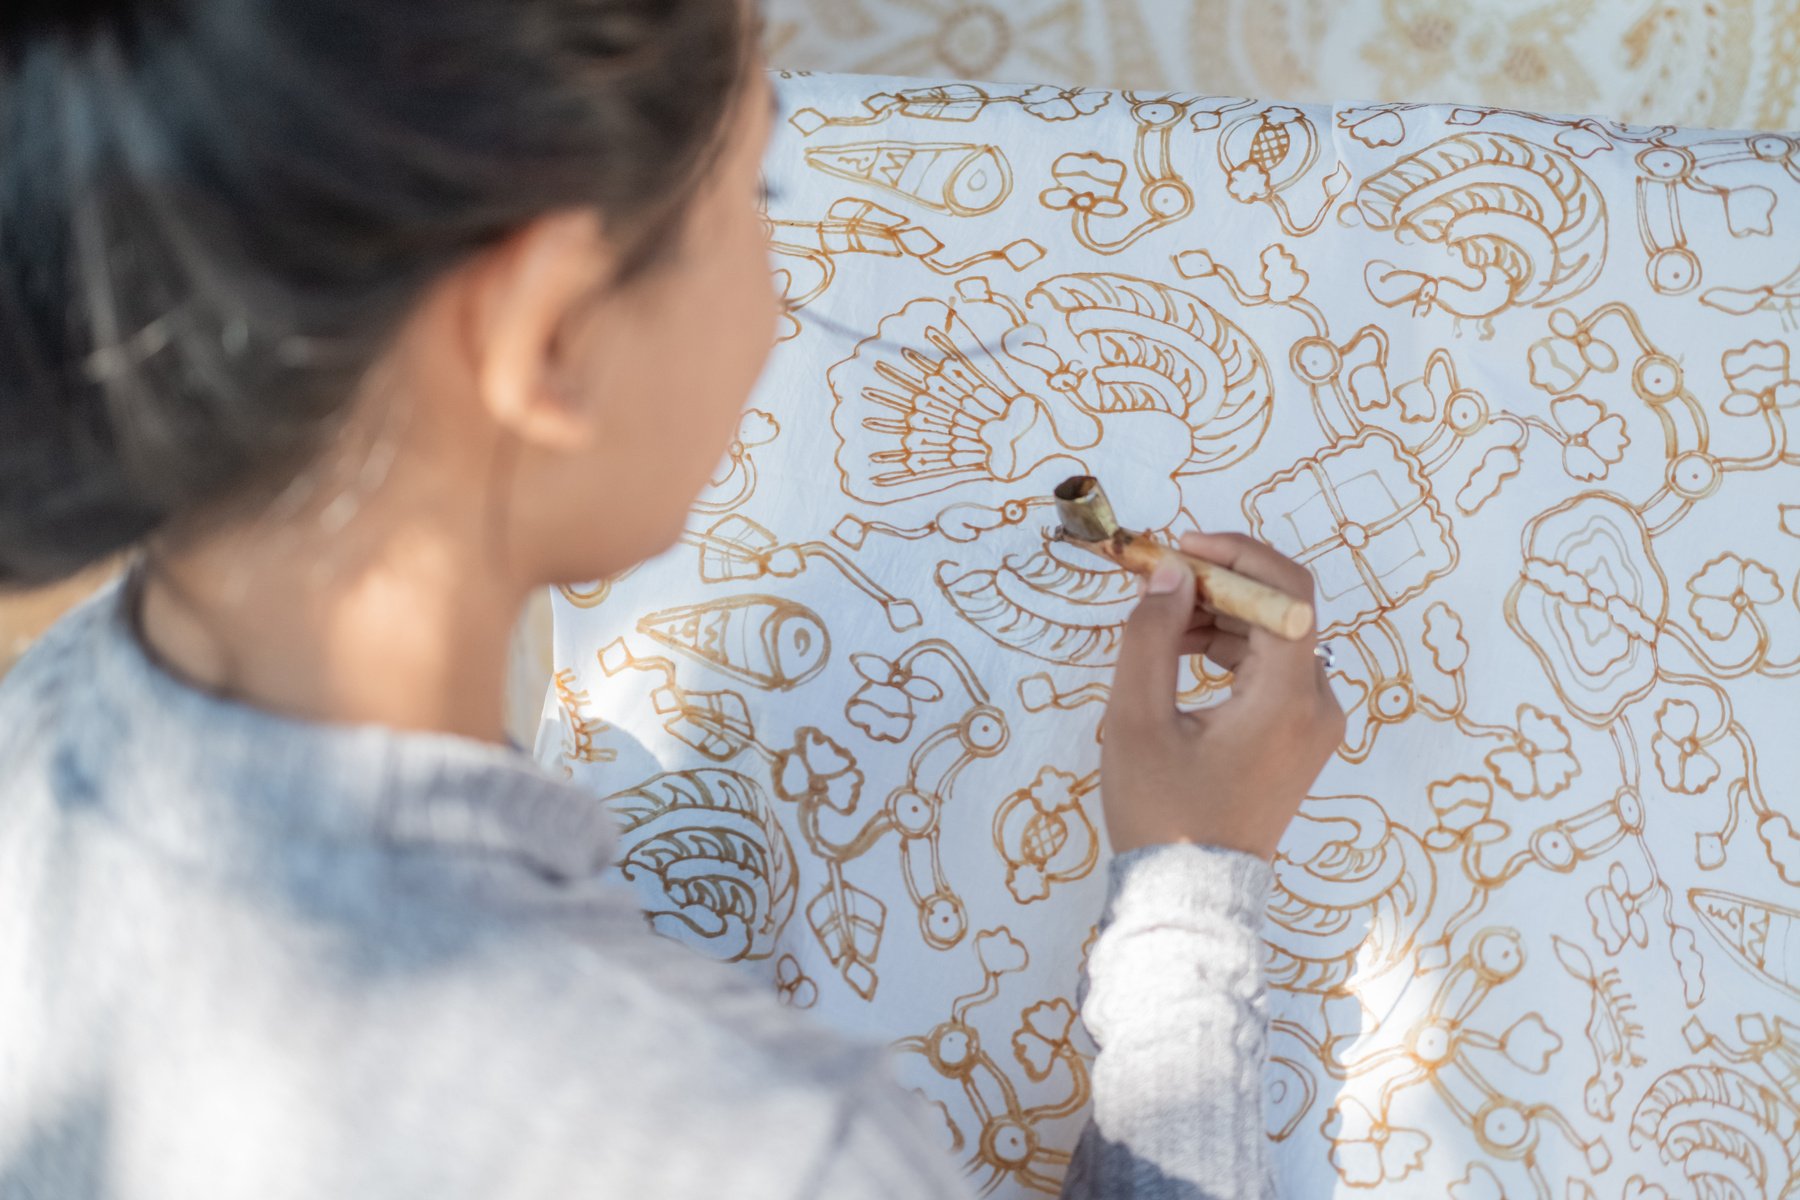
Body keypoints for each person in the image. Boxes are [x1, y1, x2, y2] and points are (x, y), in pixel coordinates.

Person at [0, 0, 1345, 1195]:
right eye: (756, 196)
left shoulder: (37, 728)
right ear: (549, 338)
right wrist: (1190, 894)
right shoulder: (768, 1148)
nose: (787, 302)